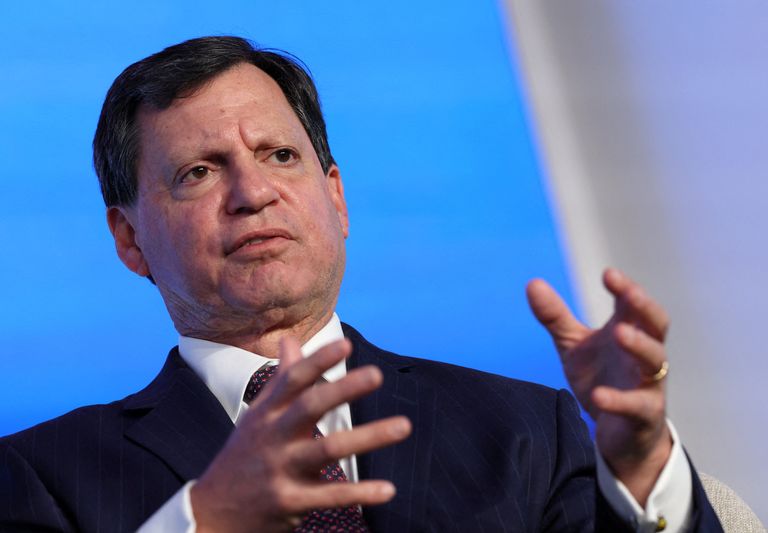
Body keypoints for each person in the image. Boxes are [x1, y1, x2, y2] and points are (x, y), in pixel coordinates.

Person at [0, 36, 722, 532]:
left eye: (280, 154)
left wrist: (641, 463)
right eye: (199, 171)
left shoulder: (527, 431)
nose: (252, 191)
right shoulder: (40, 474)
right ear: (129, 240)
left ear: (336, 198)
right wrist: (208, 518)